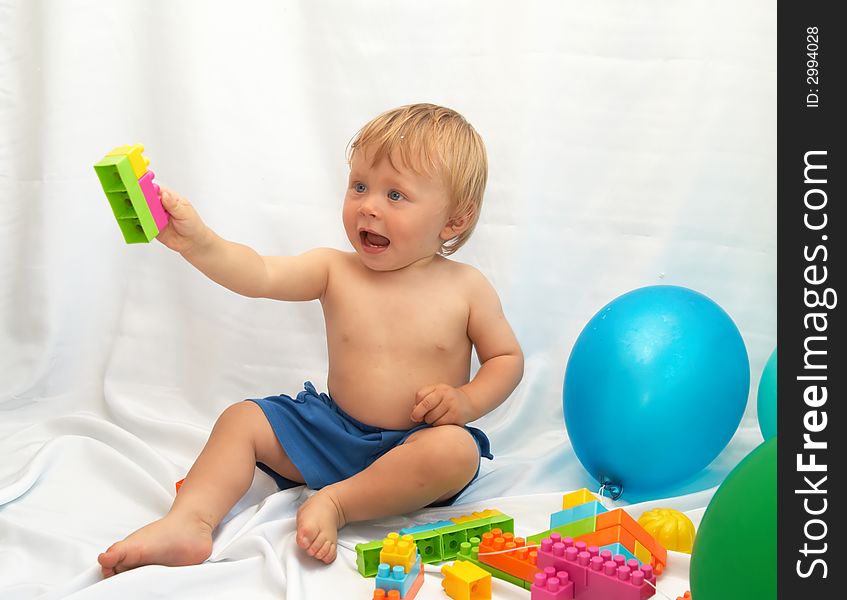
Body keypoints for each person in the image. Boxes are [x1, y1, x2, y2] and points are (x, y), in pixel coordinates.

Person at [97, 103, 524, 577]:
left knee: (456, 451)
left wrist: (464, 403)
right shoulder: (334, 269)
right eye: (359, 186)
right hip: (331, 435)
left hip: (415, 448)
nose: (369, 205)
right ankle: (188, 521)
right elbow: (259, 273)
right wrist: (199, 243)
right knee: (243, 420)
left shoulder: (466, 288)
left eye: (396, 195)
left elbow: (505, 358)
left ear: (453, 221)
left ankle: (338, 503)